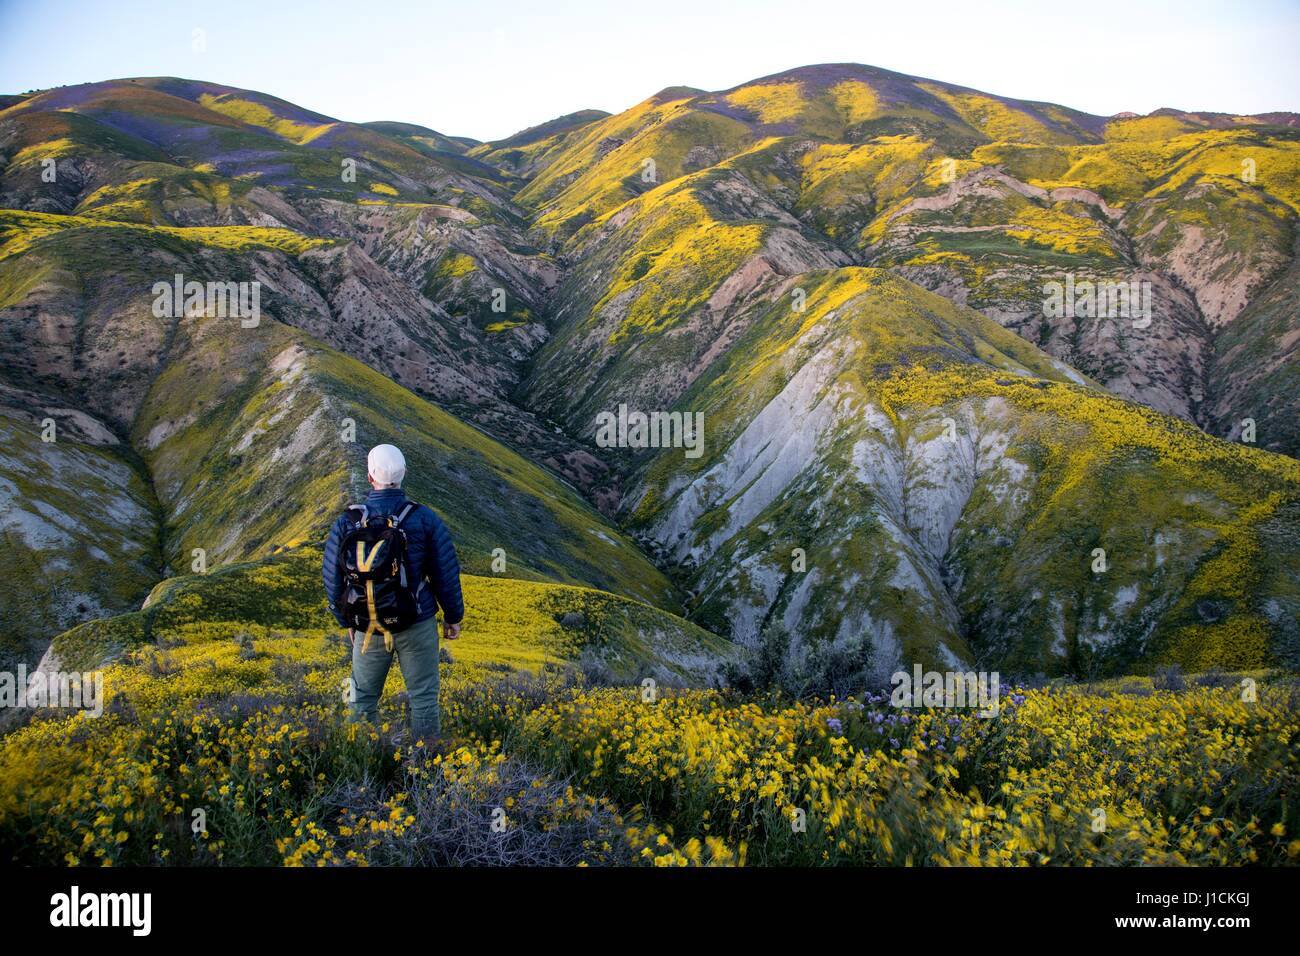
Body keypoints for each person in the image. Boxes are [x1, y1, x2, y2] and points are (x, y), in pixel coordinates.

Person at [322, 443, 463, 741]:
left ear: (370, 476)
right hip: (416, 620)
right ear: (404, 475)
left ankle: (363, 767)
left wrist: (346, 620)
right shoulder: (424, 519)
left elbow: (332, 580)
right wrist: (453, 617)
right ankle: (427, 767)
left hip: (368, 624)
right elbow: (444, 573)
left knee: (361, 702)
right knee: (423, 699)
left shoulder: (347, 522)